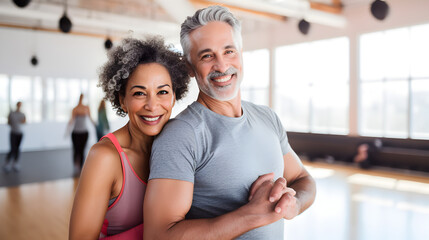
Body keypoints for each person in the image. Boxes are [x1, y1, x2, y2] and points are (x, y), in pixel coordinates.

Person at [144, 5, 316, 239]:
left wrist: (293, 204)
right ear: (189, 67)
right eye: (207, 56)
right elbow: (158, 235)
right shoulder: (182, 135)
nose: (222, 66)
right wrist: (252, 214)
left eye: (229, 51)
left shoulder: (267, 118)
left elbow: (303, 180)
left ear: (241, 51)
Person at [69, 36, 190, 239]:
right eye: (139, 94)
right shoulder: (105, 157)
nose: (152, 106)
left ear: (174, 97)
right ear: (122, 101)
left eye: (162, 92)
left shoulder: (181, 148)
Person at [66, 93, 95, 174]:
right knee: (76, 150)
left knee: (82, 150)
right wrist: (67, 131)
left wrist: (95, 125)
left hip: (84, 133)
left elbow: (90, 118)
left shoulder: (86, 108)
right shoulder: (75, 109)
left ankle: (80, 167)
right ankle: (76, 164)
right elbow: (71, 120)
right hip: (75, 133)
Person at [3, 101, 26, 173]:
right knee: (12, 149)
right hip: (13, 133)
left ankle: (15, 163)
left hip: (20, 133)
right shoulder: (12, 113)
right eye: (19, 105)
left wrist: (22, 120)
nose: (19, 106)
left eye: (20, 105)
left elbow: (25, 122)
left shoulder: (22, 114)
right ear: (16, 105)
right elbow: (8, 122)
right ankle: (7, 163)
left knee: (17, 149)